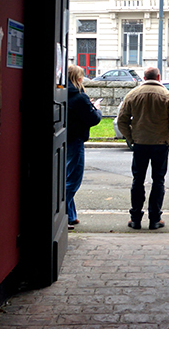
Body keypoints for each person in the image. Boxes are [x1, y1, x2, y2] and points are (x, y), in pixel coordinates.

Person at [116, 67, 169, 230]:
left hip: (140, 143)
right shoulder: (168, 96)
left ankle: (135, 218)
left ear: (144, 77)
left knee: (138, 180)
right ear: (159, 77)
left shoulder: (132, 95)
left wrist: (131, 138)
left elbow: (121, 121)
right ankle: (155, 219)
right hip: (160, 144)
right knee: (158, 180)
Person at [66, 64, 102, 230]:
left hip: (66, 139)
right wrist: (97, 109)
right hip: (76, 139)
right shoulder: (80, 97)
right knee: (73, 180)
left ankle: (70, 216)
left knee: (66, 176)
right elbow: (93, 119)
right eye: (81, 76)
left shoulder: (65, 94)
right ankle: (58, 212)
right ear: (77, 78)